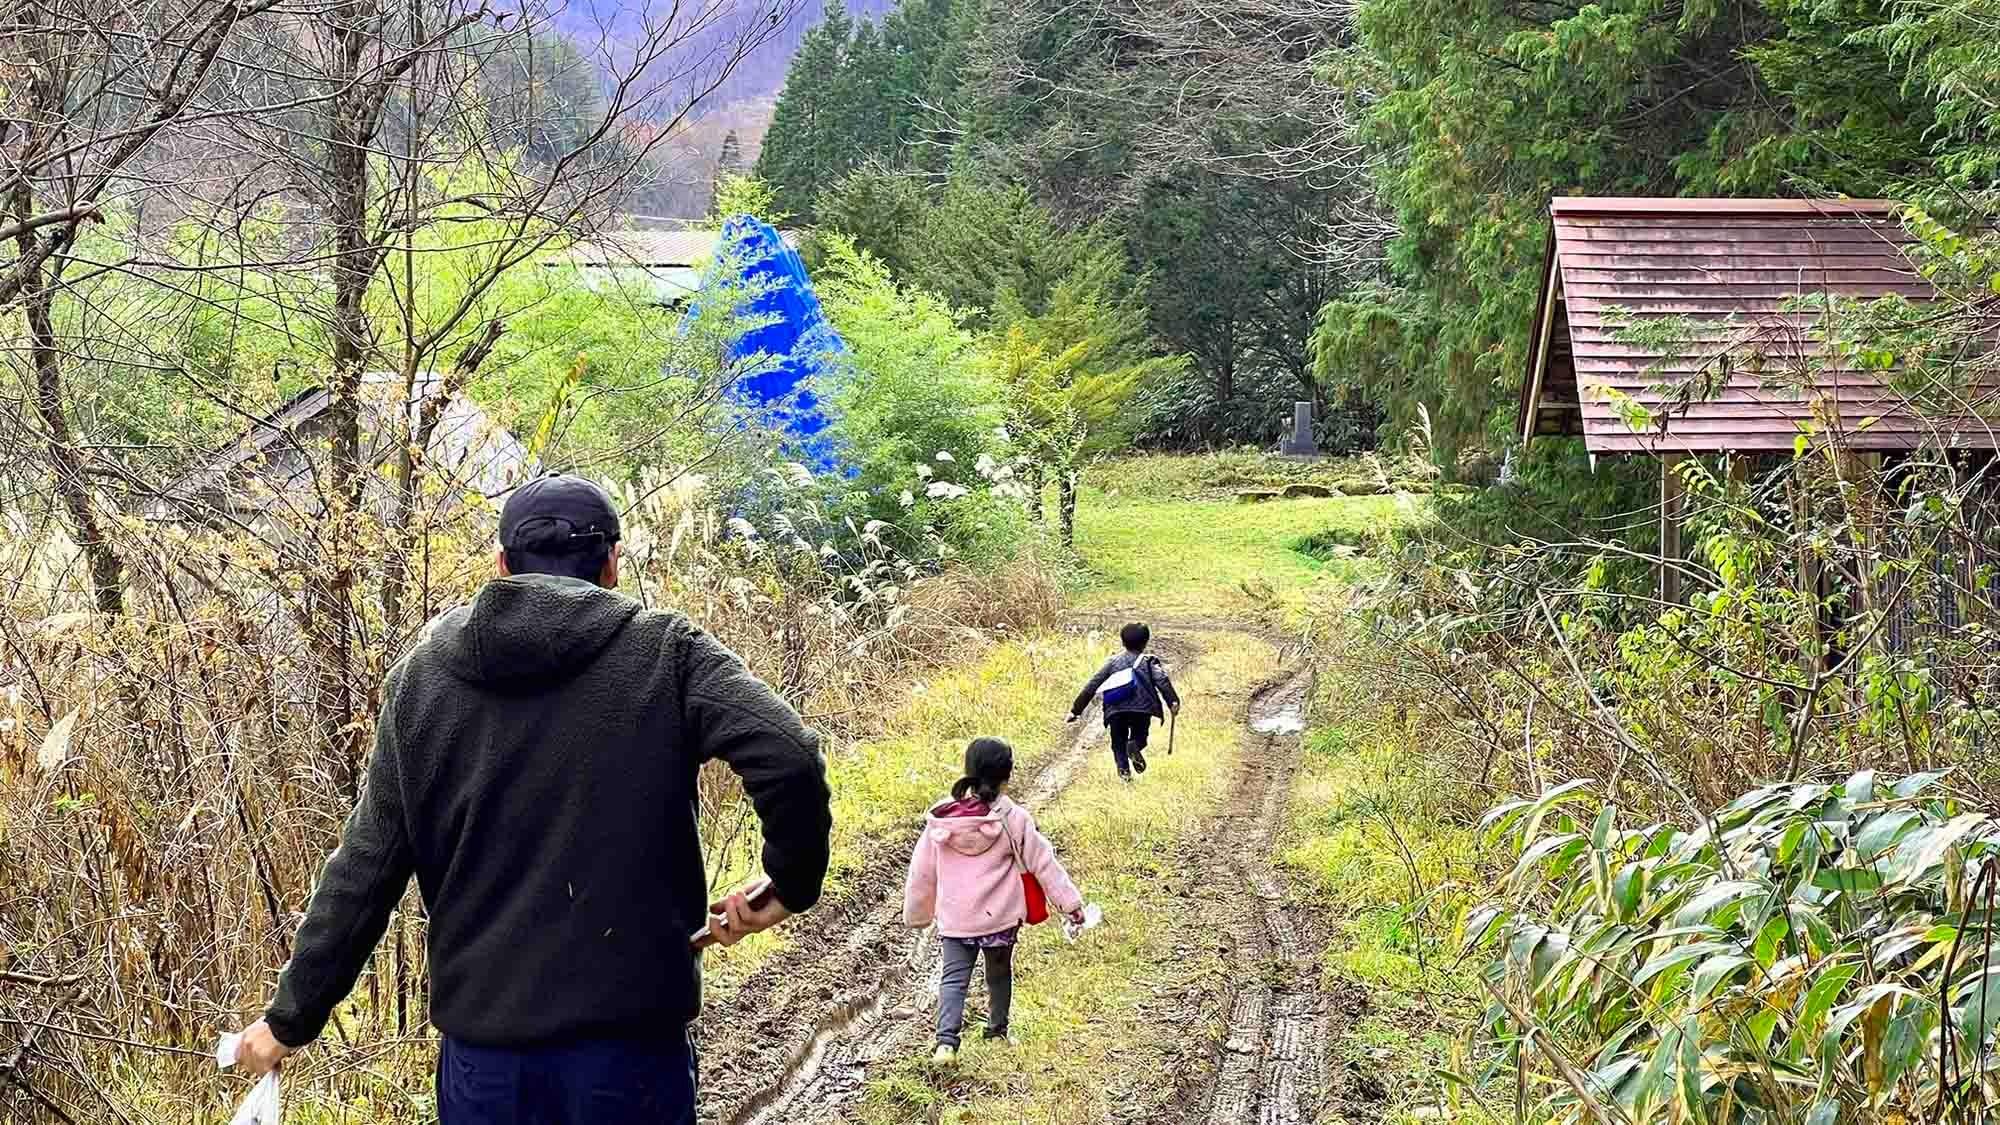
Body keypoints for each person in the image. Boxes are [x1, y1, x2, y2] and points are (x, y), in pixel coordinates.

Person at [228, 473, 833, 1124]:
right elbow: (788, 753)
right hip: (629, 1064)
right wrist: (787, 884)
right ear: (611, 565)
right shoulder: (666, 653)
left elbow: (364, 872)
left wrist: (290, 1019)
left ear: (502, 566)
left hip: (485, 1072)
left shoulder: (422, 680)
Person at [903, 737, 1084, 1063]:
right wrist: (1070, 904)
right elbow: (1043, 863)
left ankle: (946, 1043)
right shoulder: (1013, 818)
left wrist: (918, 913)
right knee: (998, 974)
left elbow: (922, 871)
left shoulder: (944, 819)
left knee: (954, 978)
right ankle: (997, 1030)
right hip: (999, 917)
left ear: (968, 770)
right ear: (1007, 774)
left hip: (956, 918)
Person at [1066, 622, 1181, 781]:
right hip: (1142, 708)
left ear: (1122, 641)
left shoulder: (1112, 662)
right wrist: (1173, 701)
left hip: (1116, 708)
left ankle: (1124, 772)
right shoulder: (1149, 661)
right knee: (1139, 736)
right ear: (1146, 641)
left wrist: (1075, 710)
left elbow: (1092, 685)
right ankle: (1134, 746)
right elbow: (1162, 680)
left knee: (1118, 740)